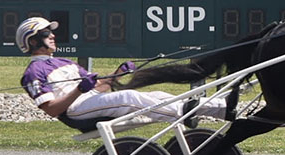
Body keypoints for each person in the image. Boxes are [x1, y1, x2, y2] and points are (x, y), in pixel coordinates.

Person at [16, 17, 227, 129]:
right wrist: (80, 90)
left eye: (51, 32)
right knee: (128, 98)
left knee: (158, 96)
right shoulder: (33, 72)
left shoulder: (64, 61)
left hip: (90, 100)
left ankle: (223, 108)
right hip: (75, 111)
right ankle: (185, 113)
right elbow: (51, 109)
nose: (52, 35)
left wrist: (117, 74)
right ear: (32, 41)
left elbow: (99, 87)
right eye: (46, 33)